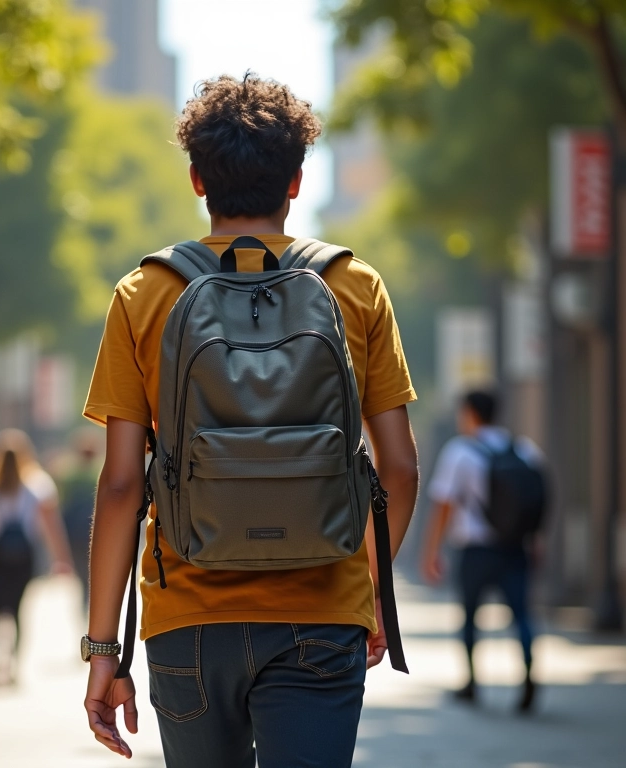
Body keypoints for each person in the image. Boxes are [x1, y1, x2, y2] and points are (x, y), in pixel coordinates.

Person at [82, 73, 419, 766]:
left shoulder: (144, 292)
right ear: (296, 181)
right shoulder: (354, 287)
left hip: (187, 614)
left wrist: (102, 652)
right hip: (323, 610)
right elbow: (401, 468)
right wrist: (370, 592)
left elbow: (120, 486)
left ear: (198, 180)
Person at [421, 390, 544, 712]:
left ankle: (472, 684)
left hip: (476, 550)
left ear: (471, 413)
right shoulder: (524, 449)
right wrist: (536, 540)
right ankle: (530, 677)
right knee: (522, 616)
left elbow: (443, 506)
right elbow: (535, 500)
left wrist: (432, 551)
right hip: (515, 547)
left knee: (470, 616)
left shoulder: (461, 451)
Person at [0, 429, 73, 686]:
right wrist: (61, 558)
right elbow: (51, 528)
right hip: (24, 558)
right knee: (19, 610)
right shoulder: (38, 487)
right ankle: (14, 664)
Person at [56, 429, 102, 611]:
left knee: (81, 568)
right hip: (94, 529)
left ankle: (84, 596)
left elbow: (62, 503)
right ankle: (91, 598)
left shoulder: (67, 474)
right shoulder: (99, 473)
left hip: (73, 531)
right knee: (94, 566)